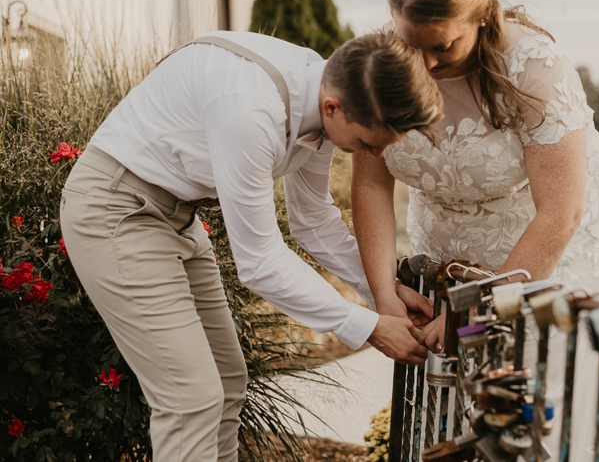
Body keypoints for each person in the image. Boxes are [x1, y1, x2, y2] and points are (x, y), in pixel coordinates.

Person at [350, 0, 599, 461]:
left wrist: (477, 315)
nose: (424, 65)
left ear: (480, 16)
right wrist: (383, 295)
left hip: (548, 252)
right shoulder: (382, 62)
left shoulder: (533, 68)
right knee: (459, 418)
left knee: (542, 416)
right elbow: (369, 182)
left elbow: (560, 213)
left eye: (443, 47)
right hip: (450, 253)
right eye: (412, 43)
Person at [59, 31, 442, 462]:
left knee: (227, 381)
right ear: (333, 106)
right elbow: (259, 261)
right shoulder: (250, 110)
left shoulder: (323, 96)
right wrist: (367, 325)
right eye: (368, 143)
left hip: (177, 215)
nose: (371, 153)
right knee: (191, 399)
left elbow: (312, 219)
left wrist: (383, 294)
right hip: (116, 208)